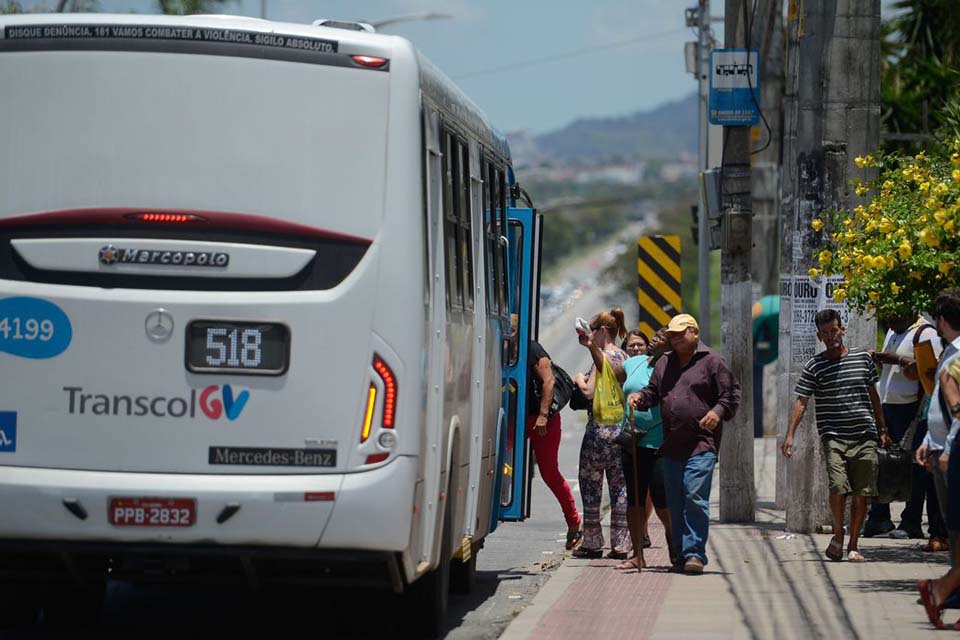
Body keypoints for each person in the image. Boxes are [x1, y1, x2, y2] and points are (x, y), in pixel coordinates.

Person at [627, 313, 741, 575]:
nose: (676, 339)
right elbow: (653, 393)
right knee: (675, 501)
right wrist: (639, 398)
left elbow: (731, 394)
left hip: (701, 444)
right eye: (673, 335)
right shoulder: (664, 363)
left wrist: (716, 412)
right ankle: (679, 553)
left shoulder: (712, 361)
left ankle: (694, 553)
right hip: (671, 446)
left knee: (694, 495)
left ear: (695, 332)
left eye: (681, 334)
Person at [782, 309, 891, 563]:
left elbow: (874, 397)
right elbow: (801, 402)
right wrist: (789, 435)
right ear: (819, 336)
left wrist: (883, 428)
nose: (831, 337)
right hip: (834, 437)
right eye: (826, 333)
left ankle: (853, 544)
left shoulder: (863, 359)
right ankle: (839, 532)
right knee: (838, 486)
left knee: (862, 492)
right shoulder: (815, 366)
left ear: (842, 330)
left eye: (834, 330)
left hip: (865, 435)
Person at [862, 313, 945, 545]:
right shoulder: (893, 331)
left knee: (915, 468)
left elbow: (932, 371)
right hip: (889, 406)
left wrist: (897, 360)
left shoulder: (925, 332)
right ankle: (880, 518)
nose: (889, 322)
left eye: (893, 317)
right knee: (883, 463)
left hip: (912, 408)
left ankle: (911, 522)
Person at [916, 290, 960, 629]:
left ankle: (941, 590)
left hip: (952, 453)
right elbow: (944, 408)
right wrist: (932, 440)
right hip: (944, 450)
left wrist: (945, 449)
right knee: (955, 530)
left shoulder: (956, 356)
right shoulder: (951, 353)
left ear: (942, 321)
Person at [572, 308, 630, 559]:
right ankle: (620, 544)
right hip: (621, 430)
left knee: (591, 487)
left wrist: (578, 378)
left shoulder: (602, 358)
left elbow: (588, 393)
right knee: (620, 489)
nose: (591, 336)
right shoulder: (625, 356)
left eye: (593, 331)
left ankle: (593, 542)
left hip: (598, 431)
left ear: (602, 331)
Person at [616, 328, 674, 571]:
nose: (654, 339)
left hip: (659, 442)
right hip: (632, 440)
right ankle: (637, 554)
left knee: (662, 501)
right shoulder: (636, 362)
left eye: (662, 337)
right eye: (656, 335)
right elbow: (611, 373)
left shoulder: (673, 368)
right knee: (634, 500)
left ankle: (676, 552)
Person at [527, 338, 583, 550]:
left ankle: (573, 522)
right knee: (497, 461)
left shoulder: (531, 348)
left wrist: (543, 415)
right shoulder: (496, 340)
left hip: (542, 420)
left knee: (549, 472)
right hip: (517, 417)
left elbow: (548, 381)